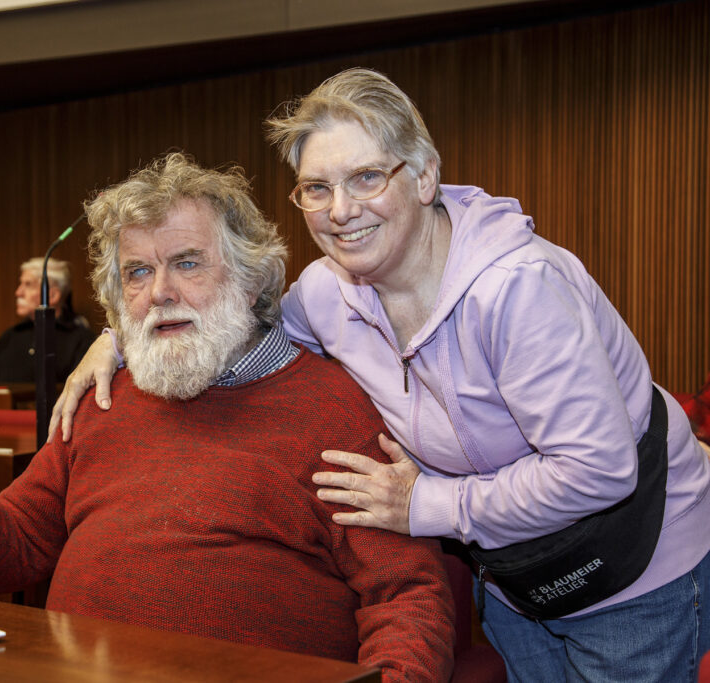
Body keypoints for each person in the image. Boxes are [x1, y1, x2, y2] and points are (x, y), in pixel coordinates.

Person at [52, 70, 710, 682]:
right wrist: (116, 338)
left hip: (636, 571)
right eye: (317, 188)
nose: (340, 210)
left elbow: (600, 470)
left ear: (423, 176)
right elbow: (227, 323)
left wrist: (424, 504)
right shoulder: (325, 295)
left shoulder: (518, 289)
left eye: (366, 177)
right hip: (516, 579)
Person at [0, 153, 455, 681]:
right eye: (138, 272)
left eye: (188, 263)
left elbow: (406, 593)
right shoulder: (101, 400)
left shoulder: (329, 408)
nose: (160, 293)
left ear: (252, 280)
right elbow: (7, 556)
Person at [0, 257, 95, 383]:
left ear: (52, 295)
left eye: (28, 284)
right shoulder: (11, 336)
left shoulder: (81, 340)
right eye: (20, 284)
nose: (18, 292)